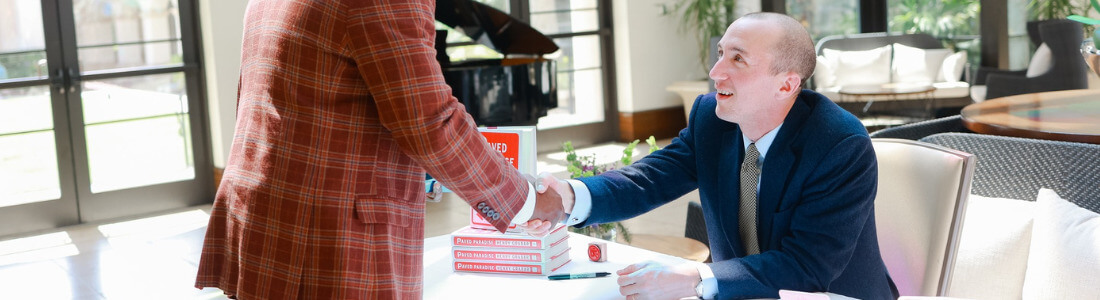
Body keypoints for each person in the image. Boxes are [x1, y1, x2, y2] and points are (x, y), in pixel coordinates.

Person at [194, 0, 565, 299]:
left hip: (268, 221)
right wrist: (526, 201)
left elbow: (318, 109)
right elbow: (431, 124)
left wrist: (422, 178)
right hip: (327, 241)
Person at [524, 12, 897, 299]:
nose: (716, 73)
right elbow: (650, 179)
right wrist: (570, 197)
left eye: (738, 59)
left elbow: (806, 266)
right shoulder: (711, 118)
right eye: (720, 53)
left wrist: (697, 277)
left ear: (786, 84)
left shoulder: (839, 143)